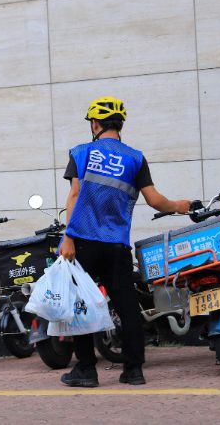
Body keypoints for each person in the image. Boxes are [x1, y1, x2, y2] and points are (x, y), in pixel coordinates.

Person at [59, 96, 190, 387]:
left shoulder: (81, 152)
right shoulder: (134, 158)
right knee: (127, 307)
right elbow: (155, 200)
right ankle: (133, 371)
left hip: (82, 241)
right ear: (119, 125)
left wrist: (67, 237)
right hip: (117, 245)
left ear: (95, 124)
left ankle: (86, 370)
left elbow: (75, 196)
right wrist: (179, 205)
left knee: (79, 304)